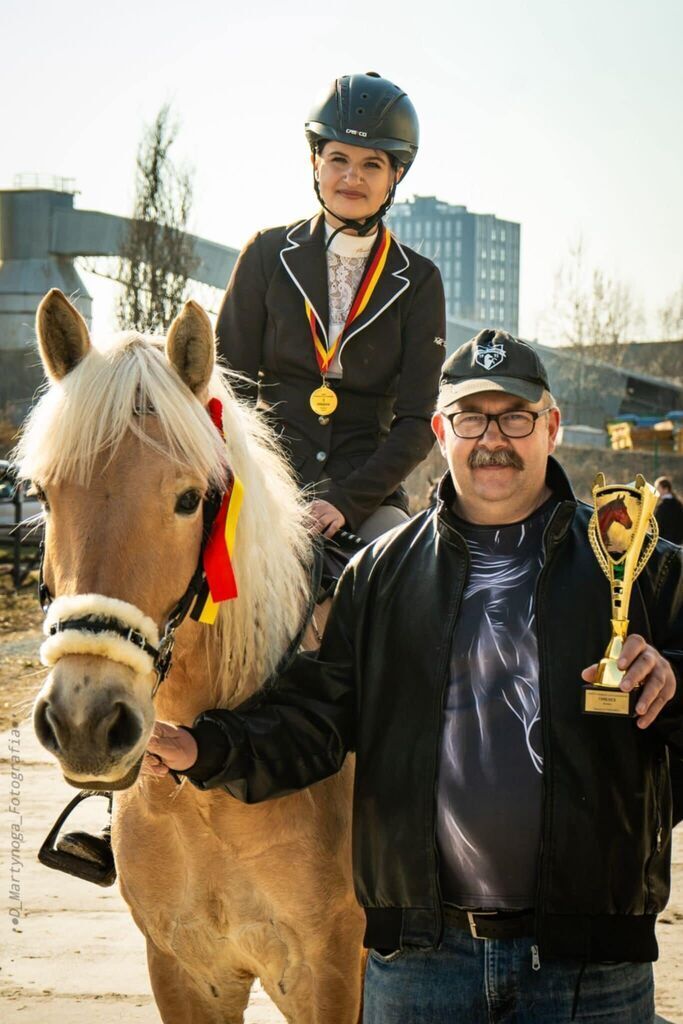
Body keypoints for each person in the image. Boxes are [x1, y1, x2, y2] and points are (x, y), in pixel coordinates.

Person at [147, 330, 682, 1024]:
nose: (493, 438)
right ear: (439, 431)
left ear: (549, 428)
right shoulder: (379, 575)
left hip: (588, 965)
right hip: (424, 964)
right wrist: (206, 748)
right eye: (470, 418)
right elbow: (317, 718)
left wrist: (672, 683)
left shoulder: (641, 564)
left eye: (515, 416)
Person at [215, 71, 446, 542]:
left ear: (395, 175)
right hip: (263, 477)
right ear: (315, 162)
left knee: (403, 573)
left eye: (372, 165)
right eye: (338, 158)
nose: (352, 177)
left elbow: (417, 423)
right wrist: (250, 476)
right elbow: (226, 387)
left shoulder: (420, 281)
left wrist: (348, 500)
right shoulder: (265, 253)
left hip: (365, 495)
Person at [655, 475, 683, 545]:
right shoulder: (678, 503)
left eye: (658, 488)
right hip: (678, 541)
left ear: (666, 489)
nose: (656, 491)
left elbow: (658, 525)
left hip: (665, 542)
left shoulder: (664, 506)